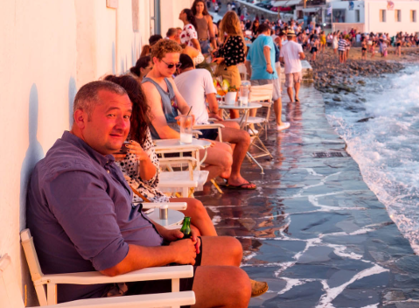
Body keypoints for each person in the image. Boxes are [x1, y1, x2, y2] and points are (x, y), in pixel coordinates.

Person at [26, 80, 266, 305]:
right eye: (111, 115)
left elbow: (123, 212)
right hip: (111, 288)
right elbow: (112, 262)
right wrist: (170, 253)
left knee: (230, 248)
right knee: (236, 285)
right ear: (81, 118)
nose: (122, 125)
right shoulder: (73, 175)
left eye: (126, 116)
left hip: (135, 268)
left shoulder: (96, 157)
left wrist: (160, 231)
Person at [105, 75, 217, 235]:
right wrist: (106, 156)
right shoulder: (101, 134)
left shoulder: (140, 130)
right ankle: (216, 254)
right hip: (128, 204)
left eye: (129, 110)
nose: (123, 119)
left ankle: (214, 254)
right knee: (193, 221)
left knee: (194, 226)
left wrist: (143, 158)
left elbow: (152, 180)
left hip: (147, 196)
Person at [141, 39, 234, 182]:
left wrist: (188, 116)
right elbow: (162, 132)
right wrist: (192, 141)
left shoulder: (168, 79)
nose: (173, 69)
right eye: (170, 65)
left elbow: (184, 106)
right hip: (165, 146)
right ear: (156, 60)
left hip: (178, 139)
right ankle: (181, 187)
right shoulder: (149, 88)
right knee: (225, 159)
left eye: (177, 65)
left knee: (227, 150)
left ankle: (185, 186)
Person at [175, 54, 256, 190]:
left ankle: (226, 170)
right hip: (200, 128)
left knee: (234, 125)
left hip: (189, 127)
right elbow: (214, 106)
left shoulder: (175, 80)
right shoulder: (203, 72)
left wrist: (208, 114)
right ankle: (234, 176)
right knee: (244, 137)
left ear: (179, 68)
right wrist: (212, 112)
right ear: (193, 65)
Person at [245, 23, 290, 130]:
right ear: (268, 31)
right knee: (277, 98)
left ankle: (251, 126)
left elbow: (247, 62)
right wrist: (269, 65)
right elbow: (266, 49)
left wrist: (250, 73)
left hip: (255, 76)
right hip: (269, 74)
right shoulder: (268, 38)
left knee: (254, 100)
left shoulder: (253, 43)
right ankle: (279, 123)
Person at [213, 11, 247, 91]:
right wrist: (216, 53)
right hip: (222, 73)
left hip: (230, 74)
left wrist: (223, 59)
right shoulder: (228, 37)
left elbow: (240, 58)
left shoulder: (236, 38)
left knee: (230, 101)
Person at [279, 29, 305, 103]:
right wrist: (298, 58)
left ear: (287, 37)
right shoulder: (298, 45)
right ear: (294, 37)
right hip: (297, 67)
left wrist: (284, 61)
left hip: (288, 67)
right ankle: (296, 95)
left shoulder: (283, 46)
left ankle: (291, 100)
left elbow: (280, 59)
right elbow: (303, 56)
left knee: (289, 85)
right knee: (297, 82)